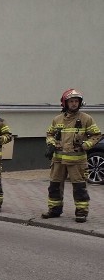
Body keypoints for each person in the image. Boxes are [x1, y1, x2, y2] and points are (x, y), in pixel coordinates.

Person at [41, 89, 101, 223]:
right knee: (54, 186)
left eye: (76, 101)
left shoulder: (86, 118)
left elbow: (97, 135)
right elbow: (49, 134)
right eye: (71, 101)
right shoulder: (57, 119)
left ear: (80, 103)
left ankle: (81, 212)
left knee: (79, 187)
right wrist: (51, 144)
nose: (74, 104)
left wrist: (85, 145)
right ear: (65, 103)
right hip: (58, 160)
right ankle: (54, 210)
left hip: (77, 161)